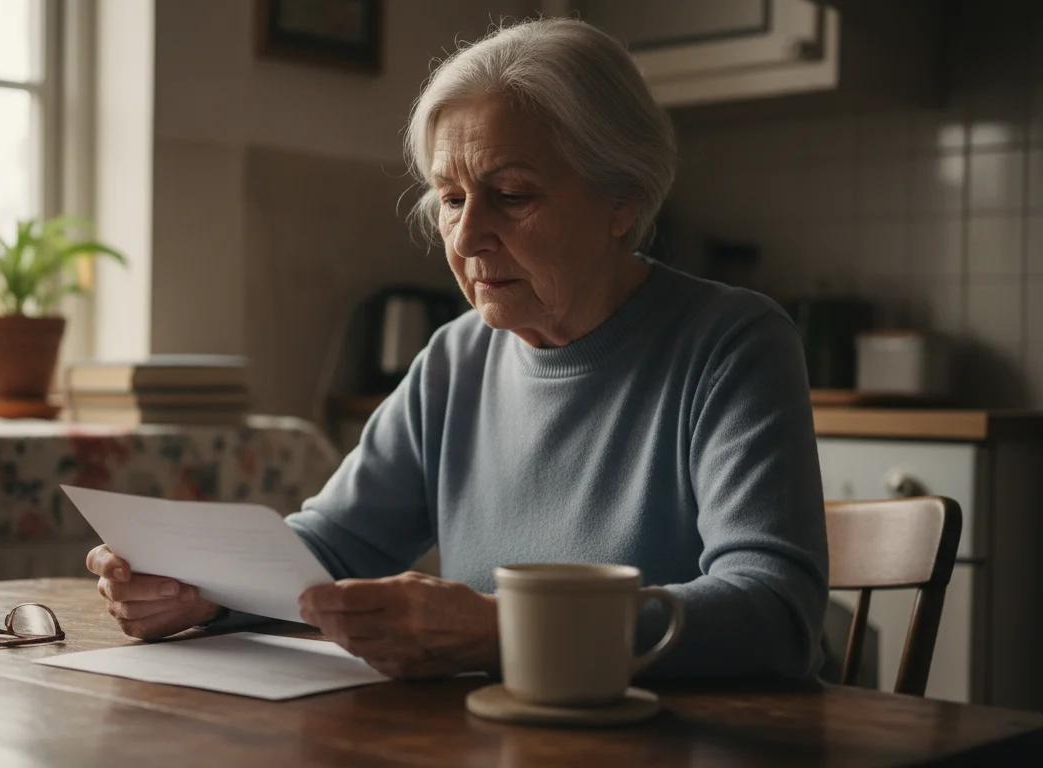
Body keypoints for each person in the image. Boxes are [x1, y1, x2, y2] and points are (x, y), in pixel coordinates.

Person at [86, 17, 829, 681]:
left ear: (621, 200)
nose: (467, 236)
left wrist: (506, 630)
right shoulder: (455, 358)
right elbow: (332, 550)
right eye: (449, 198)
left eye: (511, 194)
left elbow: (772, 612)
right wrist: (194, 595)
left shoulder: (732, 342)